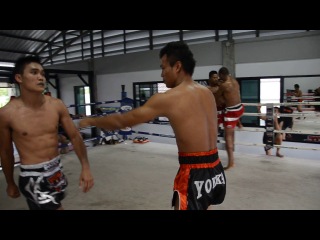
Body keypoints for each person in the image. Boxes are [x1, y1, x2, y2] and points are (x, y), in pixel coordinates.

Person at [79, 41, 226, 210]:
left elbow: (122, 122)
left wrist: (91, 121)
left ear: (177, 66)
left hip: (193, 172)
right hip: (215, 169)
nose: (161, 73)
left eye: (164, 68)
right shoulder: (207, 92)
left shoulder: (168, 98)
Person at [0, 55, 94, 210]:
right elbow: (5, 151)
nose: (40, 77)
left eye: (42, 74)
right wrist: (10, 183)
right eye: (34, 73)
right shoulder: (7, 114)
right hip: (33, 176)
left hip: (57, 170)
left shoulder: (56, 105)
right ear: (19, 78)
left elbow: (75, 136)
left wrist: (86, 167)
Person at [208, 67, 244, 170]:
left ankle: (231, 163)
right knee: (215, 134)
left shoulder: (223, 86)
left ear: (222, 75)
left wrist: (215, 90)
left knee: (227, 137)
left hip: (231, 112)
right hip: (239, 108)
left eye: (218, 77)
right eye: (214, 77)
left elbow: (218, 96)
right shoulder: (234, 80)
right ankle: (239, 122)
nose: (217, 79)